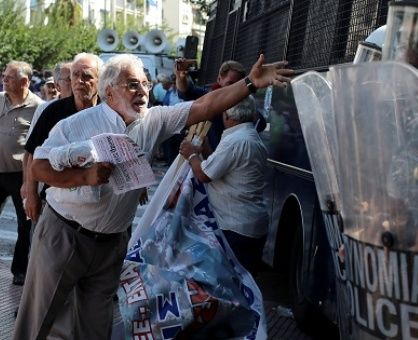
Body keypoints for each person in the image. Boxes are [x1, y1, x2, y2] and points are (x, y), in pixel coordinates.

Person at [14, 53, 292, 340]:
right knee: (38, 318)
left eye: (145, 83)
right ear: (109, 92)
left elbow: (203, 105)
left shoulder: (153, 120)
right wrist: (84, 176)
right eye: (133, 85)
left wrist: (250, 84)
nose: (143, 91)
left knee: (96, 328)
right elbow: (39, 166)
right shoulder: (76, 124)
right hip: (65, 234)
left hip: (110, 244)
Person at [179, 96, 268, 275]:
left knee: (233, 284)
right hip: (249, 224)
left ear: (227, 115)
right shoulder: (249, 137)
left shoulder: (235, 141)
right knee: (244, 281)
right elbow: (220, 168)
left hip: (236, 227)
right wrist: (205, 150)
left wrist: (191, 155)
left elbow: (204, 175)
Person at [23, 54, 101, 224]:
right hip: (55, 206)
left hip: (98, 210)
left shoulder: (109, 111)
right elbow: (32, 155)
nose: (80, 81)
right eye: (75, 75)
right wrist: (31, 194)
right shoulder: (53, 111)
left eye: (87, 76)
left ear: (100, 80)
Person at [0, 61, 43, 286]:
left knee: (24, 224)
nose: (4, 80)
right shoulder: (0, 99)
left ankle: (20, 270)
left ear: (24, 81)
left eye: (9, 77)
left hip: (21, 175)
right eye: (4, 76)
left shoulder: (39, 107)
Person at [177, 60, 246, 150]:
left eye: (238, 84)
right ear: (219, 79)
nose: (234, 89)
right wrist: (181, 77)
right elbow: (186, 92)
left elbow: (260, 123)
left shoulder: (246, 103)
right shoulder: (209, 97)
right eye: (230, 84)